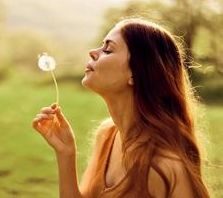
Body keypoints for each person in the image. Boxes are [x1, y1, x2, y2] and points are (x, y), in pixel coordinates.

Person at [32, 18, 210, 198]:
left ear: (136, 73)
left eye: (108, 49)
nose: (93, 52)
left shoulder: (165, 167)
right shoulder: (107, 135)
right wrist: (66, 153)